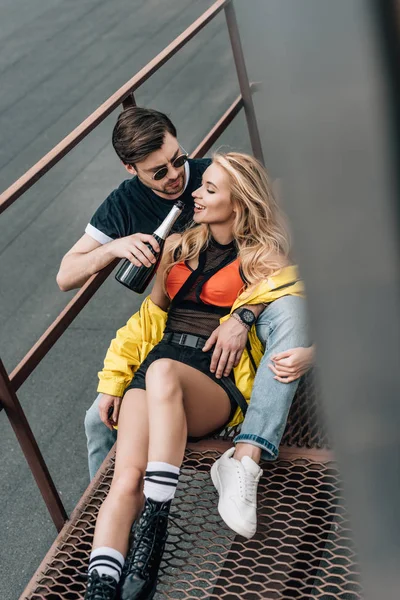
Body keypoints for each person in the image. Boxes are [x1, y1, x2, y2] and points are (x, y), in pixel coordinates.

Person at [57, 106, 313, 536]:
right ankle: (113, 516)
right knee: (98, 417)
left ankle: (247, 454)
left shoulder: (211, 174)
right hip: (181, 328)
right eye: (159, 172)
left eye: (179, 159)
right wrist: (115, 247)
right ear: (131, 168)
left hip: (249, 301)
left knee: (293, 308)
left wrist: (246, 315)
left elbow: (274, 215)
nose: (178, 178)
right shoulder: (124, 204)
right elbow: (67, 274)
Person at [84, 152, 309, 600]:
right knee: (125, 477)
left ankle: (156, 522)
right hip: (158, 369)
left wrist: (245, 313)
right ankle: (102, 586)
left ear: (239, 202)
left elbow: (298, 291)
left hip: (211, 382)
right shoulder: (177, 247)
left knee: (165, 372)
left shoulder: (262, 255)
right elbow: (149, 321)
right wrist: (113, 381)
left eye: (209, 189)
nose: (196, 194)